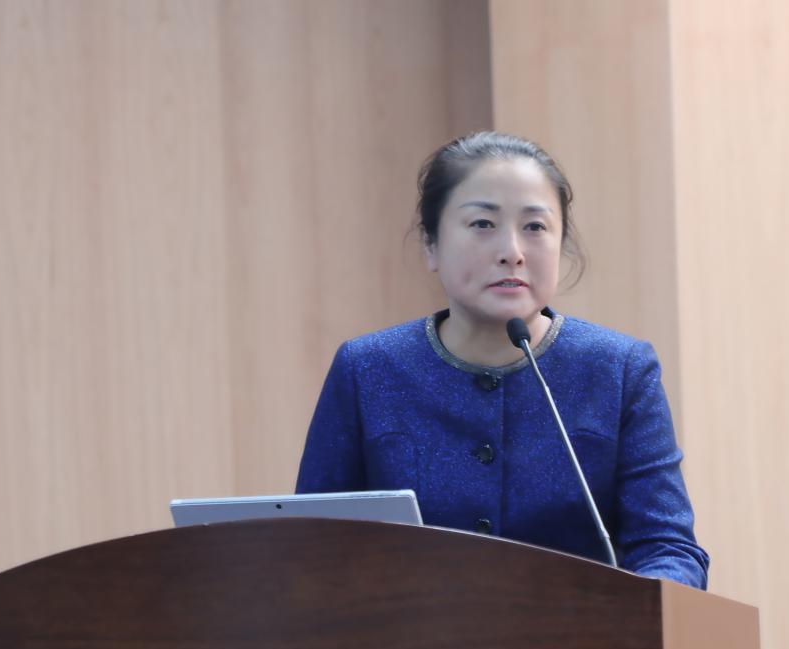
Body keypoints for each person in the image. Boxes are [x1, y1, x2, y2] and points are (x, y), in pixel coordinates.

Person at [296, 131, 709, 589]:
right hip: (409, 634)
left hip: (583, 632)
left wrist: (646, 604)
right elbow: (312, 546)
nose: (511, 252)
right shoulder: (368, 369)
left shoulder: (619, 369)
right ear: (431, 245)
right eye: (482, 224)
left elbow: (668, 548)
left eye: (535, 227)